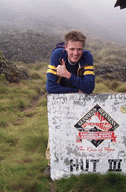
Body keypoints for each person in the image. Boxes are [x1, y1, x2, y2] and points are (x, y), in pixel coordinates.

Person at [44, 30, 95, 176]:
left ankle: (77, 158)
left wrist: (67, 75)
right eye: (72, 49)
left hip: (78, 100)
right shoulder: (57, 55)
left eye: (79, 49)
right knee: (57, 127)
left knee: (80, 128)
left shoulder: (87, 57)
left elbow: (89, 87)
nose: (75, 53)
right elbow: (51, 87)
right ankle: (51, 163)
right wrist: (76, 90)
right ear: (65, 48)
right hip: (60, 99)